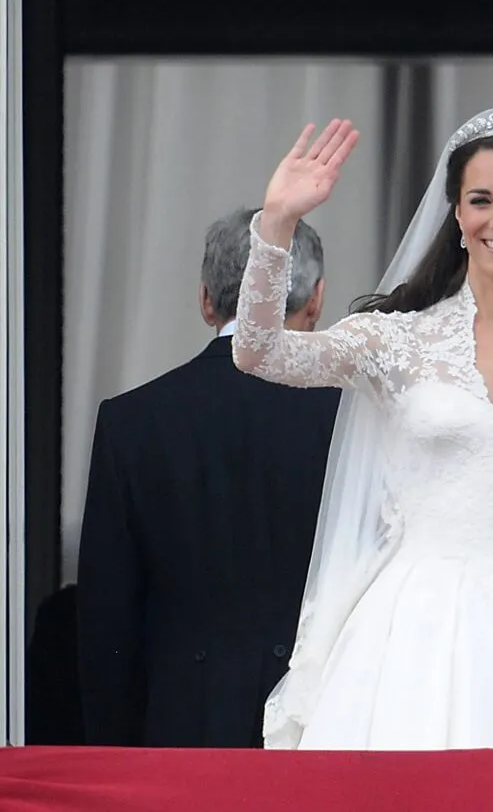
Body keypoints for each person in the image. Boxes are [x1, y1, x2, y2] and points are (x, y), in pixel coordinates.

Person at [232, 107, 493, 751]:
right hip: (411, 629)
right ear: (456, 214)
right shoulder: (397, 338)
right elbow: (259, 351)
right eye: (480, 200)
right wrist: (279, 222)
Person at [76, 209, 340, 748]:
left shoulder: (131, 421)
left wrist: (113, 753)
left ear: (204, 300)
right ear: (316, 299)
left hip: (181, 726)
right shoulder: (354, 420)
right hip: (326, 720)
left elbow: (107, 618)